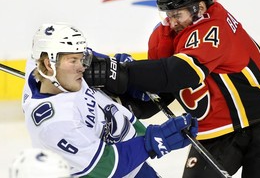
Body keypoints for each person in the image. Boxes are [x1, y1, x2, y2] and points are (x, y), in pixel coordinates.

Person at [84, 0, 260, 178]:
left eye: (177, 15)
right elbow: (161, 91)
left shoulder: (215, 24)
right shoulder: (164, 35)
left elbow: (179, 73)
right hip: (217, 130)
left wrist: (119, 71)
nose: (172, 22)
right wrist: (122, 98)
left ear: (199, 8)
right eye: (168, 15)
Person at [21, 22, 198, 178]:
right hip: (118, 168)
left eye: (81, 59)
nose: (82, 67)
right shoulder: (56, 122)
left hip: (132, 160)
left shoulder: (55, 69)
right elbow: (105, 167)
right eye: (73, 60)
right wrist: (155, 140)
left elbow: (87, 57)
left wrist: (118, 69)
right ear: (47, 65)